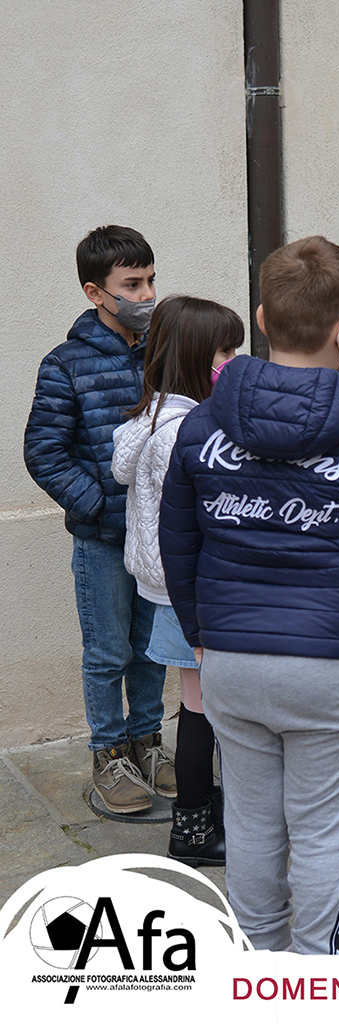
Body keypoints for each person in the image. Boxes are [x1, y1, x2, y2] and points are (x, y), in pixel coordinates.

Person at [158, 235, 339, 953]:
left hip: (231, 662)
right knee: (323, 833)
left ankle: (257, 963)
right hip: (335, 671)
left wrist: (200, 634)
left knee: (251, 824)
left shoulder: (201, 427)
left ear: (260, 318)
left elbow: (177, 544)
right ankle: (316, 978)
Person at [24, 225, 173, 815]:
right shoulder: (65, 364)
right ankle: (109, 756)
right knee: (108, 652)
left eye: (151, 280)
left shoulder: (165, 352)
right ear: (95, 292)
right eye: (131, 285)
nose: (147, 295)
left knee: (152, 650)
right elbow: (44, 452)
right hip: (104, 541)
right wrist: (95, 505)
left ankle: (147, 743)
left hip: (157, 538)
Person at [112, 295, 244, 864]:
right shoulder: (184, 430)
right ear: (194, 355)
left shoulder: (153, 418)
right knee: (205, 711)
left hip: (171, 588)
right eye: (224, 351)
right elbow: (200, 516)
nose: (232, 361)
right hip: (192, 592)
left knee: (200, 705)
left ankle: (203, 814)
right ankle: (193, 829)